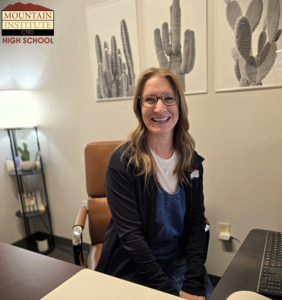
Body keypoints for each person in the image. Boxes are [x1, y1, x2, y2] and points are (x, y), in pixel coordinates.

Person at [95, 67, 213, 299]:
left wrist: (194, 281)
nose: (160, 108)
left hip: (177, 261)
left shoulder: (191, 162)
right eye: (150, 99)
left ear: (179, 104)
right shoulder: (123, 162)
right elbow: (131, 238)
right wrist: (169, 294)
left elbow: (196, 223)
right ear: (140, 107)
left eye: (168, 98)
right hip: (134, 265)